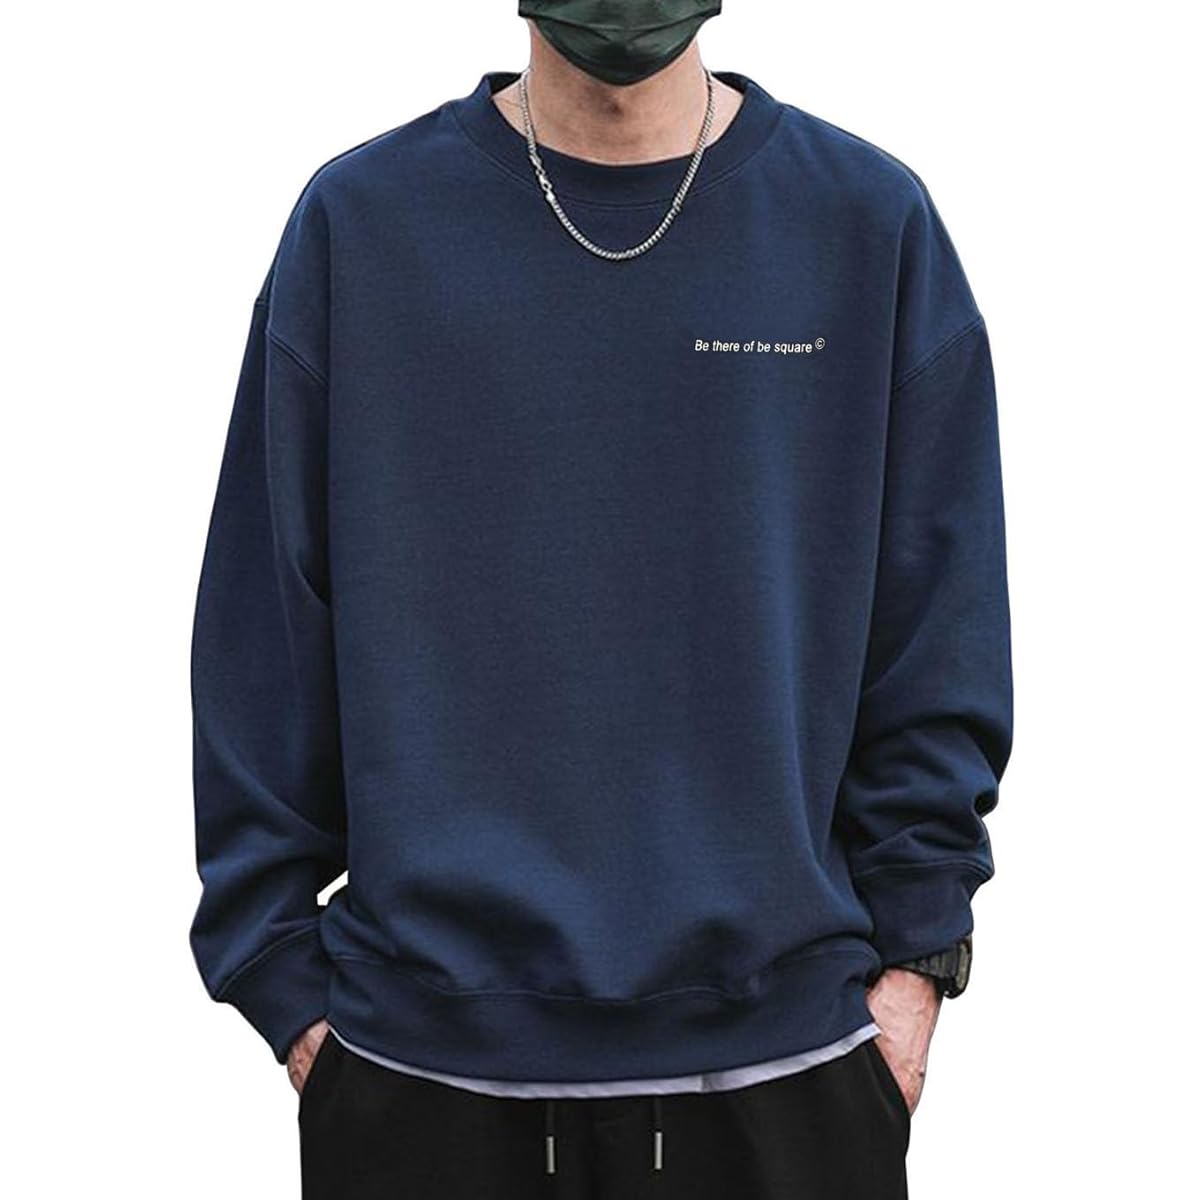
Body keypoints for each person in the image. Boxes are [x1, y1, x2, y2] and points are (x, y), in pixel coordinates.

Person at [188, 3, 1014, 1197]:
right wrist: (282, 980)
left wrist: (917, 963)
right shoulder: (362, 228)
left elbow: (940, 626)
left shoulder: (864, 224)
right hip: (423, 1079)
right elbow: (262, 634)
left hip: (787, 1068)